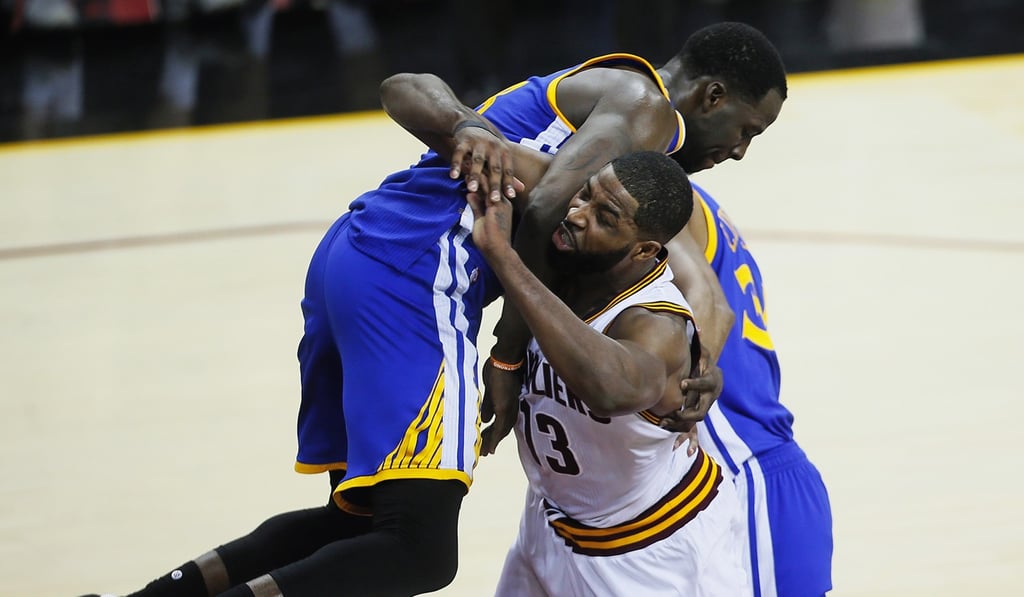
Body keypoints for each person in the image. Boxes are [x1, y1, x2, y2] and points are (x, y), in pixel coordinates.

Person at [388, 20, 831, 596]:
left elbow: (712, 309)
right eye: (745, 130)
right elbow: (413, 95)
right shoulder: (634, 184)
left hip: (734, 465)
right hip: (582, 506)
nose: (740, 151)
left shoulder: (653, 198)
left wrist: (690, 368)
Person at [464, 148, 752, 595]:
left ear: (644, 250)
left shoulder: (657, 325)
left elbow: (610, 390)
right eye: (584, 195)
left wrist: (503, 256)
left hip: (652, 549)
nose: (578, 214)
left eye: (605, 217)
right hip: (551, 524)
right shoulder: (574, 255)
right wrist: (470, 135)